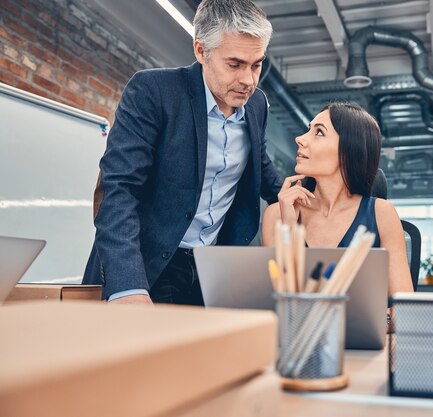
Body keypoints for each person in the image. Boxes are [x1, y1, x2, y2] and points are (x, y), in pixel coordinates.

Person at [82, 0, 282, 305]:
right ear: (201, 51)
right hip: (147, 266)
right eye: (235, 64)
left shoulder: (256, 106)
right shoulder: (154, 92)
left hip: (211, 272)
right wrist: (128, 286)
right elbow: (118, 190)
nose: (249, 81)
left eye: (257, 65)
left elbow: (261, 168)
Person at [262, 103, 414, 296]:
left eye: (318, 133)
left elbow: (404, 307)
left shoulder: (382, 214)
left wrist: (378, 320)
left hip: (362, 327)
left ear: (348, 150)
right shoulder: (277, 214)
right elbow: (283, 301)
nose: (299, 139)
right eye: (309, 129)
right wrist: (289, 230)